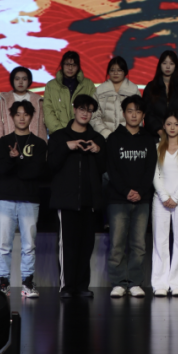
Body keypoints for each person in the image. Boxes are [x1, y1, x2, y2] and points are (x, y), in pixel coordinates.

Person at [47, 94, 105, 298]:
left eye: (89, 110)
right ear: (74, 109)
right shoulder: (59, 137)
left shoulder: (97, 139)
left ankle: (82, 286)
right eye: (82, 109)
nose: (85, 113)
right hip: (67, 201)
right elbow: (50, 165)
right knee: (68, 246)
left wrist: (98, 151)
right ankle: (67, 286)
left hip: (90, 201)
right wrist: (67, 147)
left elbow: (105, 168)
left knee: (86, 246)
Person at [104, 94, 157, 298]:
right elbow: (111, 169)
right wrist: (126, 191)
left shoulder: (148, 139)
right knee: (117, 244)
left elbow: (151, 169)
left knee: (139, 245)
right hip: (118, 199)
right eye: (130, 111)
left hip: (142, 200)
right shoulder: (114, 138)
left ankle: (135, 282)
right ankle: (119, 282)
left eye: (138, 111)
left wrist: (140, 192)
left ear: (143, 115)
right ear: (123, 113)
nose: (134, 115)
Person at [0, 99, 47, 298]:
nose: (22, 118)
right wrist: (12, 159)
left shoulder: (39, 144)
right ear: (12, 117)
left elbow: (36, 172)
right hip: (6, 199)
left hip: (29, 200)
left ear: (31, 117)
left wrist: (17, 162)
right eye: (18, 114)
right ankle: (3, 283)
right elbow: (0, 170)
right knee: (4, 245)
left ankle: (27, 283)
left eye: (26, 114)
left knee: (29, 246)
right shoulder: (3, 142)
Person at [150, 111, 178, 296]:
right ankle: (160, 284)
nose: (172, 127)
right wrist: (164, 196)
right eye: (169, 124)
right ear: (164, 126)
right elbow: (155, 174)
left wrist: (175, 198)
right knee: (160, 241)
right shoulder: (156, 147)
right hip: (160, 200)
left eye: (176, 124)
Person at [43, 50, 96, 134]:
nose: (70, 68)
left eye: (74, 65)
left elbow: (93, 111)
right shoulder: (51, 85)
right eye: (67, 64)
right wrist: (60, 133)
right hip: (58, 135)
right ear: (62, 65)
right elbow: (48, 111)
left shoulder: (88, 84)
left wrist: (81, 130)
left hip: (82, 134)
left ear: (78, 66)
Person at [143, 51, 178, 137]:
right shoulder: (151, 87)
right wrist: (159, 130)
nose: (168, 66)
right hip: (153, 136)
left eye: (171, 63)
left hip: (177, 136)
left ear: (176, 66)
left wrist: (175, 129)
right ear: (160, 65)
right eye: (164, 63)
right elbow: (147, 112)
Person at [0, 66, 48, 141]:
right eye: (17, 79)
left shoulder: (38, 100)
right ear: (12, 80)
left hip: (33, 143)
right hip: (10, 143)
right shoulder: (4, 100)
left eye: (24, 79)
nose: (20, 82)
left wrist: (42, 145)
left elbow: (42, 127)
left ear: (29, 81)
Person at [92, 56, 140, 138]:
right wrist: (107, 134)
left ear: (125, 71)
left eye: (119, 70)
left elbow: (139, 116)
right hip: (104, 138)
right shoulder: (100, 91)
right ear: (108, 72)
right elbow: (94, 117)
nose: (115, 73)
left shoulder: (133, 90)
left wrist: (131, 134)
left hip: (129, 138)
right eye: (112, 70)